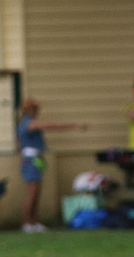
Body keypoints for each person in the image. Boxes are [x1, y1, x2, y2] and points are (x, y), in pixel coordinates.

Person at [16, 97, 86, 232]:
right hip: (30, 160)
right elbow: (49, 126)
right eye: (36, 109)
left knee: (36, 193)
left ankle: (33, 222)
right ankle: (26, 223)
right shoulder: (28, 123)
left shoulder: (25, 123)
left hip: (36, 159)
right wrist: (74, 125)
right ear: (30, 110)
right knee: (31, 193)